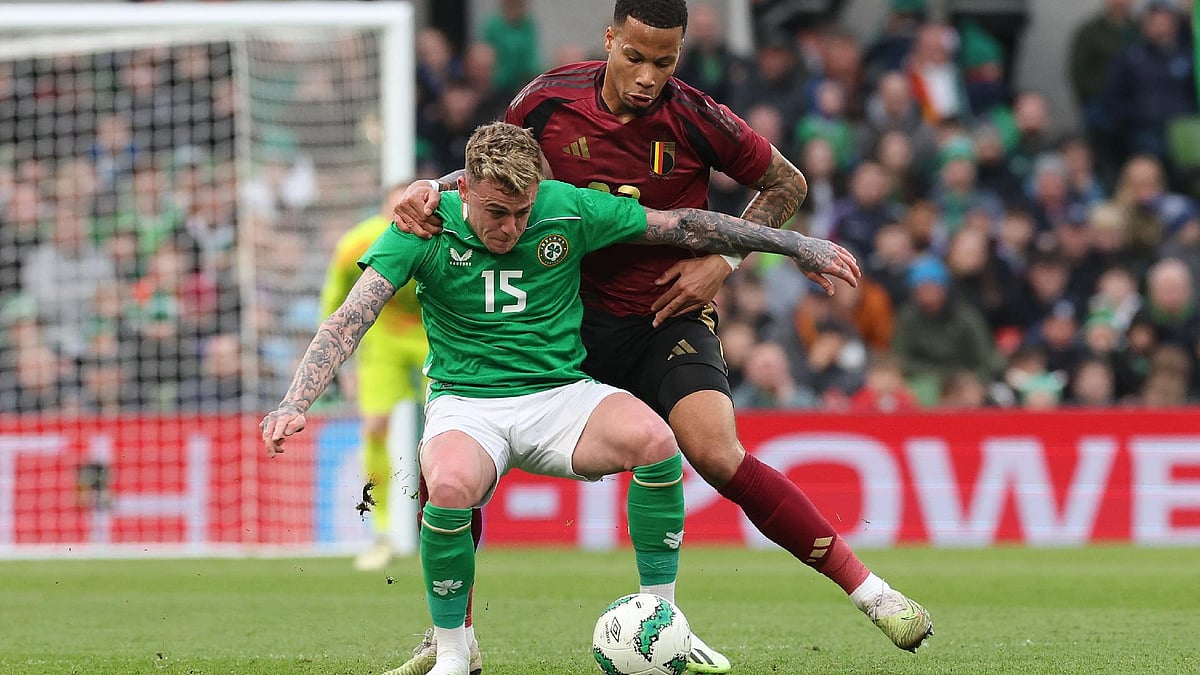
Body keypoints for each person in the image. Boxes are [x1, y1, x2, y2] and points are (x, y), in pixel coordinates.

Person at [391, 1, 934, 670]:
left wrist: (723, 261)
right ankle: (453, 637)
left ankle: (870, 593)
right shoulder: (547, 101)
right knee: (455, 461)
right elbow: (491, 175)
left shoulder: (697, 116)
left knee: (716, 453)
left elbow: (785, 183)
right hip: (569, 318)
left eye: (665, 61)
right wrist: (428, 187)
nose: (649, 76)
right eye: (636, 57)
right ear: (610, 39)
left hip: (667, 315)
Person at [260, 121, 861, 675]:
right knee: (446, 488)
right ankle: (452, 651)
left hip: (560, 395)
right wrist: (294, 402)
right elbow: (349, 319)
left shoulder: (564, 207)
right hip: (468, 405)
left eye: (522, 213)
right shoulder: (423, 226)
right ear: (463, 189)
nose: (511, 228)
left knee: (658, 441)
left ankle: (662, 621)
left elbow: (681, 224)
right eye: (497, 212)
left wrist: (794, 245)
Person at [318, 183, 430, 571]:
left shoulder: (439, 234)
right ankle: (381, 532)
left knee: (445, 429)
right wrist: (332, 361)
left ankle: (444, 526)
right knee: (375, 428)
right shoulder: (357, 242)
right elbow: (334, 297)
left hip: (432, 334)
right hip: (382, 338)